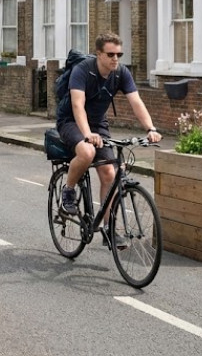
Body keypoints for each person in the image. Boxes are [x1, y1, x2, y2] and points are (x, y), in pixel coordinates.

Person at [56, 32, 162, 246]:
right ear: (99, 54)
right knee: (87, 152)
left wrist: (150, 128)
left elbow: (136, 102)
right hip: (70, 121)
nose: (116, 59)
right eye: (111, 54)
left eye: (119, 54)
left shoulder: (121, 73)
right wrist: (87, 135)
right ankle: (68, 191)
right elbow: (77, 105)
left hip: (98, 124)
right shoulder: (82, 70)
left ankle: (108, 230)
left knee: (109, 173)